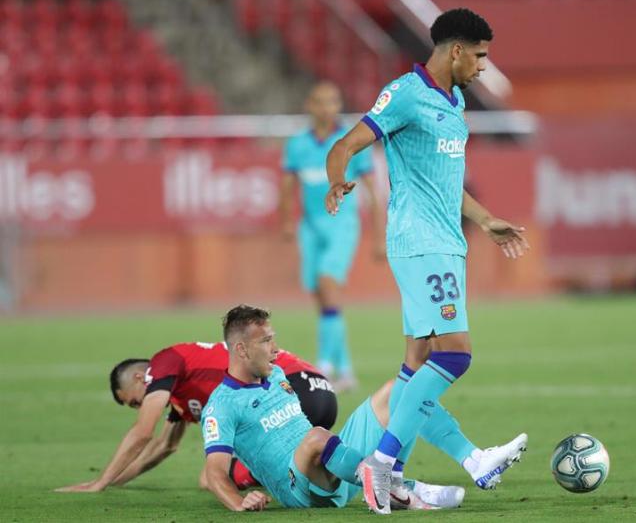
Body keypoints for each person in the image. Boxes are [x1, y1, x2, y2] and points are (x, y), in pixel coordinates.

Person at [325, 8, 530, 513]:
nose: (483, 66)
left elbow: (448, 182)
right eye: (479, 55)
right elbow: (348, 143)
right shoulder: (405, 94)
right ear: (456, 50)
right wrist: (337, 179)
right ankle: (381, 463)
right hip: (419, 243)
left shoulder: (454, 101)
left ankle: (473, 460)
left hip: (446, 243)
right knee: (454, 356)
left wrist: (485, 221)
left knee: (414, 368)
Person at [202, 304, 526, 512]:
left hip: (334, 463)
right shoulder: (221, 405)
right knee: (316, 436)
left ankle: (470, 460)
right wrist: (239, 501)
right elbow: (214, 472)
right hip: (298, 488)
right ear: (241, 350)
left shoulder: (274, 375)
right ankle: (398, 487)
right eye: (265, 341)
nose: (275, 349)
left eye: (274, 339)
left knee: (400, 391)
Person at [55, 342, 335, 492]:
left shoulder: (164, 361)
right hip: (319, 391)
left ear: (142, 377)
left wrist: (99, 483)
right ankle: (348, 463)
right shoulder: (181, 393)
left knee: (216, 477)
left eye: (134, 402)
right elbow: (165, 446)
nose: (141, 407)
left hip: (291, 387)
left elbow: (143, 433)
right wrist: (114, 480)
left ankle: (324, 468)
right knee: (214, 475)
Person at [280, 81, 384, 391]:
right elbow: (287, 187)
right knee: (322, 298)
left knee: (328, 285)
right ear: (309, 106)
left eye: (333, 101)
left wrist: (380, 236)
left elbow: (373, 192)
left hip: (342, 226)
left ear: (339, 106)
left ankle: (323, 368)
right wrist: (287, 221)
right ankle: (347, 371)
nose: (327, 107)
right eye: (320, 101)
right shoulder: (297, 144)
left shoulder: (351, 141)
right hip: (310, 228)